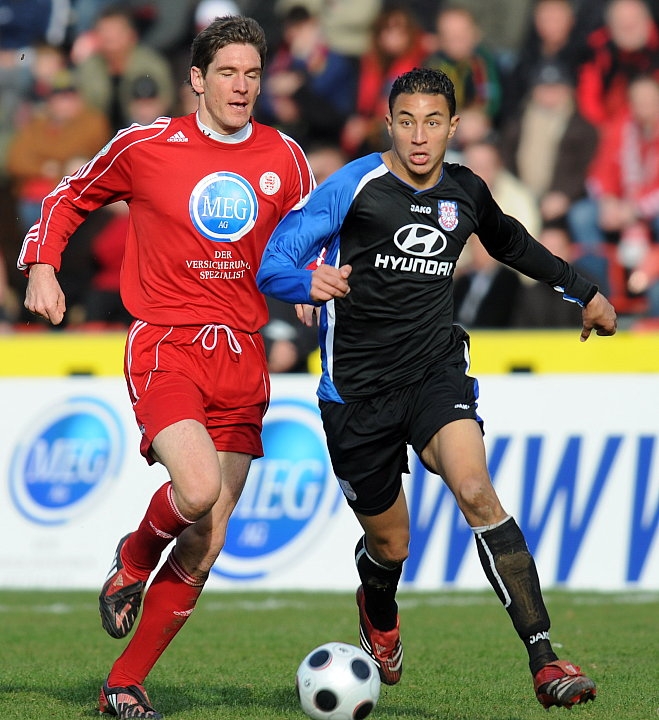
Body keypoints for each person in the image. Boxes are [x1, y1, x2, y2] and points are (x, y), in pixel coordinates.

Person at [256, 66, 616, 710]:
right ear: (388, 125)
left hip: (433, 372)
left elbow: (512, 243)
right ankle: (377, 607)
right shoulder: (354, 186)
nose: (419, 137)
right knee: (391, 543)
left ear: (453, 126)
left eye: (432, 122)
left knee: (476, 490)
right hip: (356, 394)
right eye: (406, 122)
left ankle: (546, 660)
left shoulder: (465, 190)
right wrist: (303, 281)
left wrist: (583, 290)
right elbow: (274, 260)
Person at [18, 15, 314, 719]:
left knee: (208, 544)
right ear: (197, 80)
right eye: (227, 73)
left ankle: (124, 682)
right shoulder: (146, 145)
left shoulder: (285, 156)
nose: (241, 87)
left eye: (251, 74)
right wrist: (42, 264)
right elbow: (68, 196)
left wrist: (311, 280)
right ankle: (134, 556)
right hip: (168, 343)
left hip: (243, 353)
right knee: (199, 488)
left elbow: (311, 234)